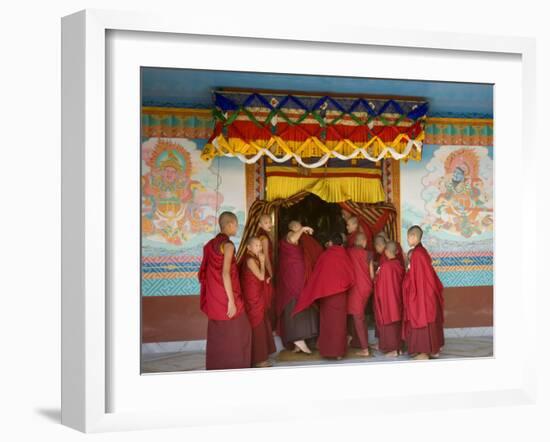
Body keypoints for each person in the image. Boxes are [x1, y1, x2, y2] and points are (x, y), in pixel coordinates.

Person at [198, 211, 252, 370]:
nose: (237, 227)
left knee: (218, 334)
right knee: (243, 331)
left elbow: (207, 271)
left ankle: (218, 367)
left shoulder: (210, 245)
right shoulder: (228, 245)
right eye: (236, 224)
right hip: (226, 295)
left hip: (214, 296)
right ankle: (237, 366)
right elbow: (225, 272)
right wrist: (231, 301)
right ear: (229, 225)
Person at [293, 233, 355, 359]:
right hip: (341, 296)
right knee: (340, 324)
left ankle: (327, 352)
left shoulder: (325, 255)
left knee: (327, 324)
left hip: (327, 295)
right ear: (341, 244)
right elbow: (351, 275)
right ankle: (338, 353)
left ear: (331, 243)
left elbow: (317, 274)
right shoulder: (345, 254)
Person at [276, 220, 320, 354]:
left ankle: (299, 343)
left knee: (303, 303)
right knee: (295, 303)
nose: (298, 228)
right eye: (296, 226)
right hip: (293, 278)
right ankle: (297, 338)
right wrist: (304, 229)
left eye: (300, 226)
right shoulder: (289, 236)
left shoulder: (301, 239)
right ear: (290, 228)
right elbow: (293, 238)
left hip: (300, 276)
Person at [402, 225, 445, 360]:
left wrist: (407, 281)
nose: (407, 239)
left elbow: (417, 280)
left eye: (408, 237)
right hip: (426, 293)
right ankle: (430, 349)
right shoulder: (422, 252)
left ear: (413, 237)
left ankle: (424, 352)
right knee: (427, 320)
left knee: (421, 319)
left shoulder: (417, 254)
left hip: (421, 295)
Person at [239, 237, 276, 368]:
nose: (259, 248)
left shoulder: (253, 258)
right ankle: (259, 359)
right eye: (256, 245)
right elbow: (260, 276)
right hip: (253, 298)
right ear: (248, 247)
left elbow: (260, 277)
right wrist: (262, 261)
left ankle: (261, 356)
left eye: (260, 245)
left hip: (257, 295)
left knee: (262, 323)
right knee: (257, 325)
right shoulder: (250, 260)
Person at [373, 241, 405, 357]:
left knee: (389, 324)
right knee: (397, 323)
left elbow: (379, 283)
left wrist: (375, 278)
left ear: (386, 252)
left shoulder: (385, 267)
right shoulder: (399, 265)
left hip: (387, 299)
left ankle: (393, 350)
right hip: (397, 299)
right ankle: (399, 348)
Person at [346, 233, 373, 356]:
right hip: (366, 287)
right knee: (355, 315)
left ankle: (365, 348)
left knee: (357, 317)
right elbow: (372, 275)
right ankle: (355, 341)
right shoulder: (368, 254)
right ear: (364, 242)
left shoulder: (348, 252)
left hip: (354, 288)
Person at [257, 214, 275, 328]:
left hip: (260, 268)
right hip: (266, 269)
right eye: (266, 222)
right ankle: (268, 327)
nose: (270, 224)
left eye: (270, 221)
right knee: (268, 298)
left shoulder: (260, 235)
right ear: (260, 224)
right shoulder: (263, 238)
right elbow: (266, 258)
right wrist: (272, 274)